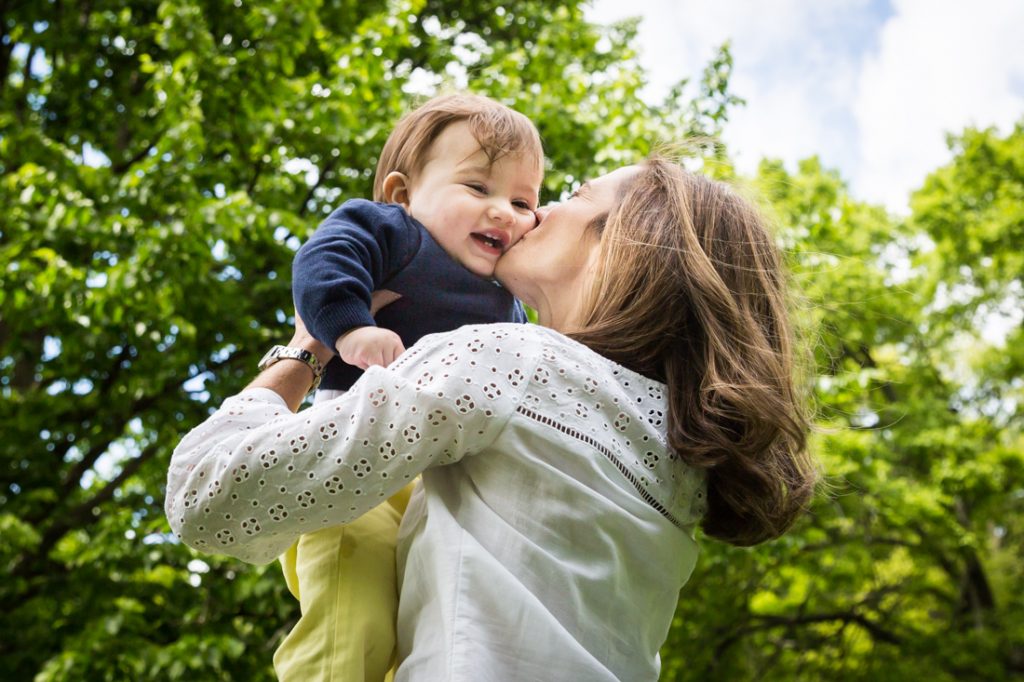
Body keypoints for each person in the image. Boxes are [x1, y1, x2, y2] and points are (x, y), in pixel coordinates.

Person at [166, 157, 818, 681]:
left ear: (625, 246)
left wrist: (307, 346)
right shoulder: (680, 461)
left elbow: (206, 494)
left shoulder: (508, 362)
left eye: (577, 195)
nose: (538, 211)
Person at [272, 93, 543, 681]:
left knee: (426, 627)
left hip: (439, 478)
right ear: (403, 193)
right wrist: (351, 328)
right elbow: (323, 261)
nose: (504, 212)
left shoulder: (511, 303)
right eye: (478, 189)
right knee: (352, 612)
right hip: (351, 458)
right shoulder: (393, 231)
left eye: (523, 201)